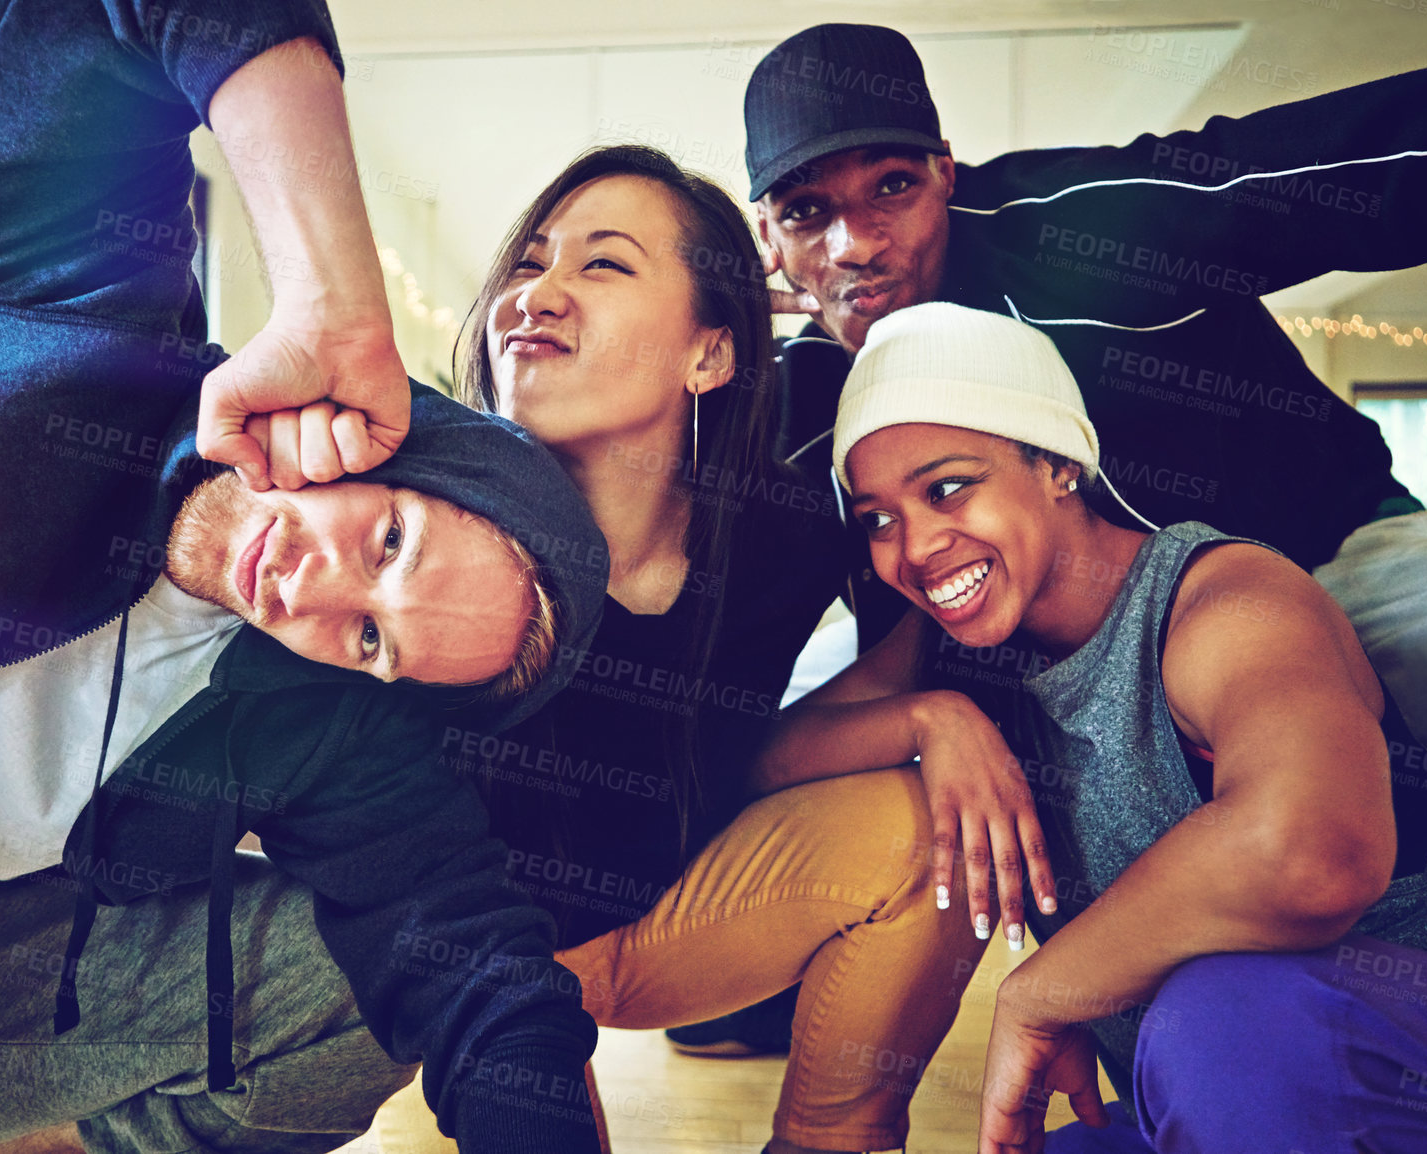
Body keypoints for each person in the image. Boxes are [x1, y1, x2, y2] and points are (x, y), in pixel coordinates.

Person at [0, 1, 616, 1150]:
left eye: (374, 639)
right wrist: (327, 293)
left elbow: (472, 960)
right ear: (392, 436)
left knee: (349, 994)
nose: (314, 597)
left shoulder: (318, 709)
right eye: (389, 540)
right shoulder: (69, 302)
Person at [377, 144, 1039, 1154]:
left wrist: (930, 717)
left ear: (711, 354)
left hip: (665, 921)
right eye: (528, 262)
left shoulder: (782, 530)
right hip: (462, 963)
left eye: (600, 265)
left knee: (925, 827)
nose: (536, 295)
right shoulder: (422, 529)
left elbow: (756, 737)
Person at [794, 300, 1427, 1154]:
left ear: (1056, 466)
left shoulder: (1221, 604)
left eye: (948, 487)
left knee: (1219, 1019)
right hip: (1226, 1098)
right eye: (878, 519)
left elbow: (1314, 851)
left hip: (1412, 1057)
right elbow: (754, 758)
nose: (917, 544)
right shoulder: (954, 654)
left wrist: (1044, 990)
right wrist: (931, 720)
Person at [742, 24, 1427, 772]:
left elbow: (1338, 172)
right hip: (1076, 673)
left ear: (947, 175)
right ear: (765, 234)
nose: (855, 245)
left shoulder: (1076, 234)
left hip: (1328, 546)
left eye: (892, 185)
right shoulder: (786, 404)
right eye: (806, 212)